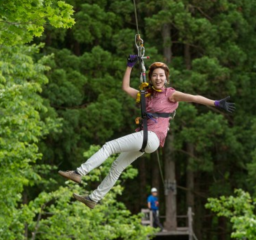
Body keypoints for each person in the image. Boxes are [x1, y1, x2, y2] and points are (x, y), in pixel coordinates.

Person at [58, 55, 235, 209]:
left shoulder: (170, 94)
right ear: (150, 78)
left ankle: (79, 173)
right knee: (117, 167)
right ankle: (93, 198)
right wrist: (129, 66)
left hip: (151, 137)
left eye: (161, 76)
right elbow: (126, 88)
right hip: (147, 141)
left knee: (109, 146)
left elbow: (194, 98)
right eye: (155, 75)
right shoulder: (146, 96)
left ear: (166, 78)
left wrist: (216, 103)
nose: (158, 78)